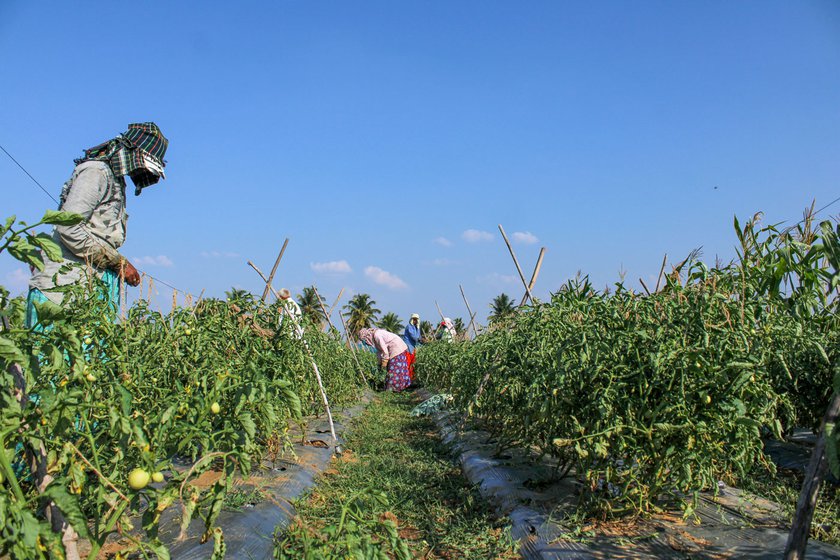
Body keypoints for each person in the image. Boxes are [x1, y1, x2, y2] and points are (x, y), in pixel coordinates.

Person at [27, 122, 168, 327]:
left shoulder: (114, 179)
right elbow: (68, 226)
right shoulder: (96, 172)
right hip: (63, 292)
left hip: (85, 293)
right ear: (132, 153)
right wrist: (117, 262)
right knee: (55, 356)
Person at [357, 327, 411, 392]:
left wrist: (384, 362)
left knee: (394, 369)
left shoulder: (377, 335)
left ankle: (393, 389)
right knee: (394, 368)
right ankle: (397, 388)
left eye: (365, 340)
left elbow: (384, 350)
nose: (366, 342)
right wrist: (379, 364)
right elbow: (380, 352)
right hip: (394, 348)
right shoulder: (374, 338)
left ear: (366, 336)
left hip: (396, 347)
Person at [402, 313, 421, 380]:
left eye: (416, 320)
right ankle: (406, 378)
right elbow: (414, 337)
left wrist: (418, 329)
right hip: (408, 347)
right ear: (411, 320)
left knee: (412, 363)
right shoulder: (409, 327)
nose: (415, 321)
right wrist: (420, 339)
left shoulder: (416, 328)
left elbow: (418, 336)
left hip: (412, 347)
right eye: (414, 319)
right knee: (408, 363)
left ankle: (411, 378)